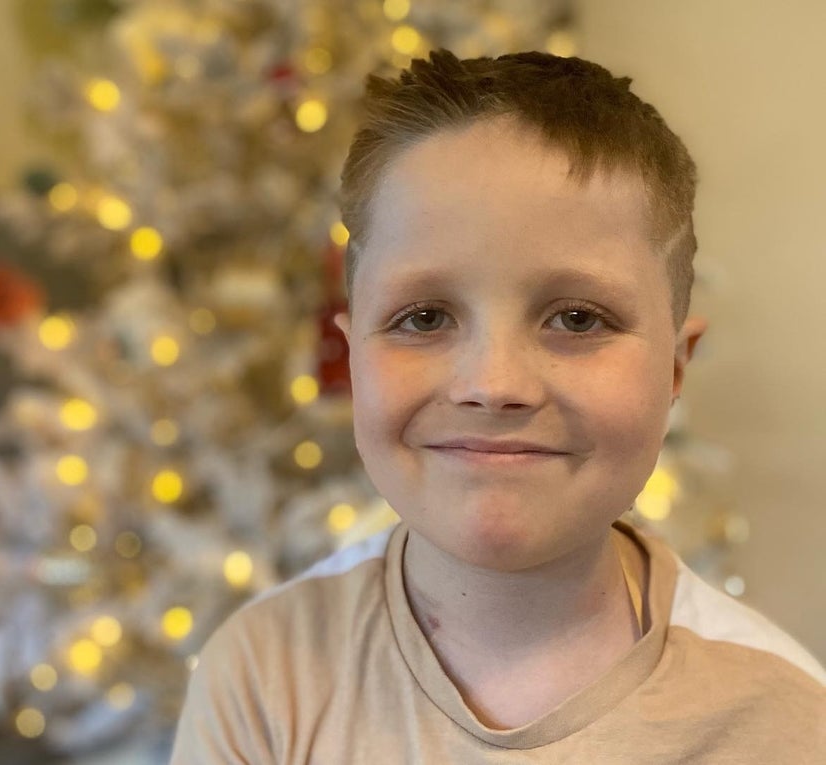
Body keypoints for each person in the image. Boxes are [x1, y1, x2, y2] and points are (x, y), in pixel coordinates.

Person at [169, 49, 825, 763]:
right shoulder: (265, 677)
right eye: (423, 317)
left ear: (673, 368)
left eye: (577, 318)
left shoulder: (785, 719)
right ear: (353, 355)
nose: (494, 381)